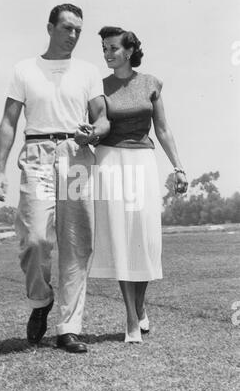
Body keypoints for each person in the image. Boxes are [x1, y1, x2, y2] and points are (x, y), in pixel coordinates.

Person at [0, 4, 110, 353]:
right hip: (38, 154)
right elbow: (9, 122)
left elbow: (102, 119)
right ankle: (40, 301)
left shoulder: (87, 72)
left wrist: (94, 133)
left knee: (76, 244)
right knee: (36, 237)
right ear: (50, 27)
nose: (73, 35)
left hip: (75, 155)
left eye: (78, 30)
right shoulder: (25, 70)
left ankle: (69, 327)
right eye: (67, 28)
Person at [75, 26, 188, 343]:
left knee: (145, 238)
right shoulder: (98, 87)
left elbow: (163, 129)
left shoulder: (152, 83)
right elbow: (97, 125)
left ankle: (139, 307)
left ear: (129, 50)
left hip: (143, 162)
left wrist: (178, 167)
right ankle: (130, 320)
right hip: (110, 161)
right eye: (104, 49)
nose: (108, 54)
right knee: (123, 238)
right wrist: (88, 133)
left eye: (113, 48)